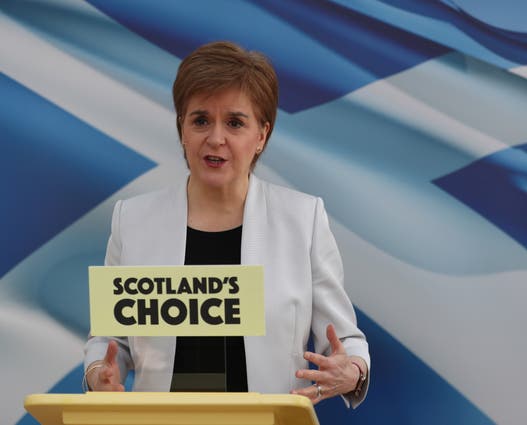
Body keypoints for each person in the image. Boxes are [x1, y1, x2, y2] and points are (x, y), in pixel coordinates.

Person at [83, 41, 370, 408]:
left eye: (235, 122)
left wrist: (353, 370)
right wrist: (98, 374)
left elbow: (346, 340)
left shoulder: (304, 219)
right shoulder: (132, 219)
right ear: (181, 129)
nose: (216, 138)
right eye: (201, 120)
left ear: (262, 136)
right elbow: (109, 340)